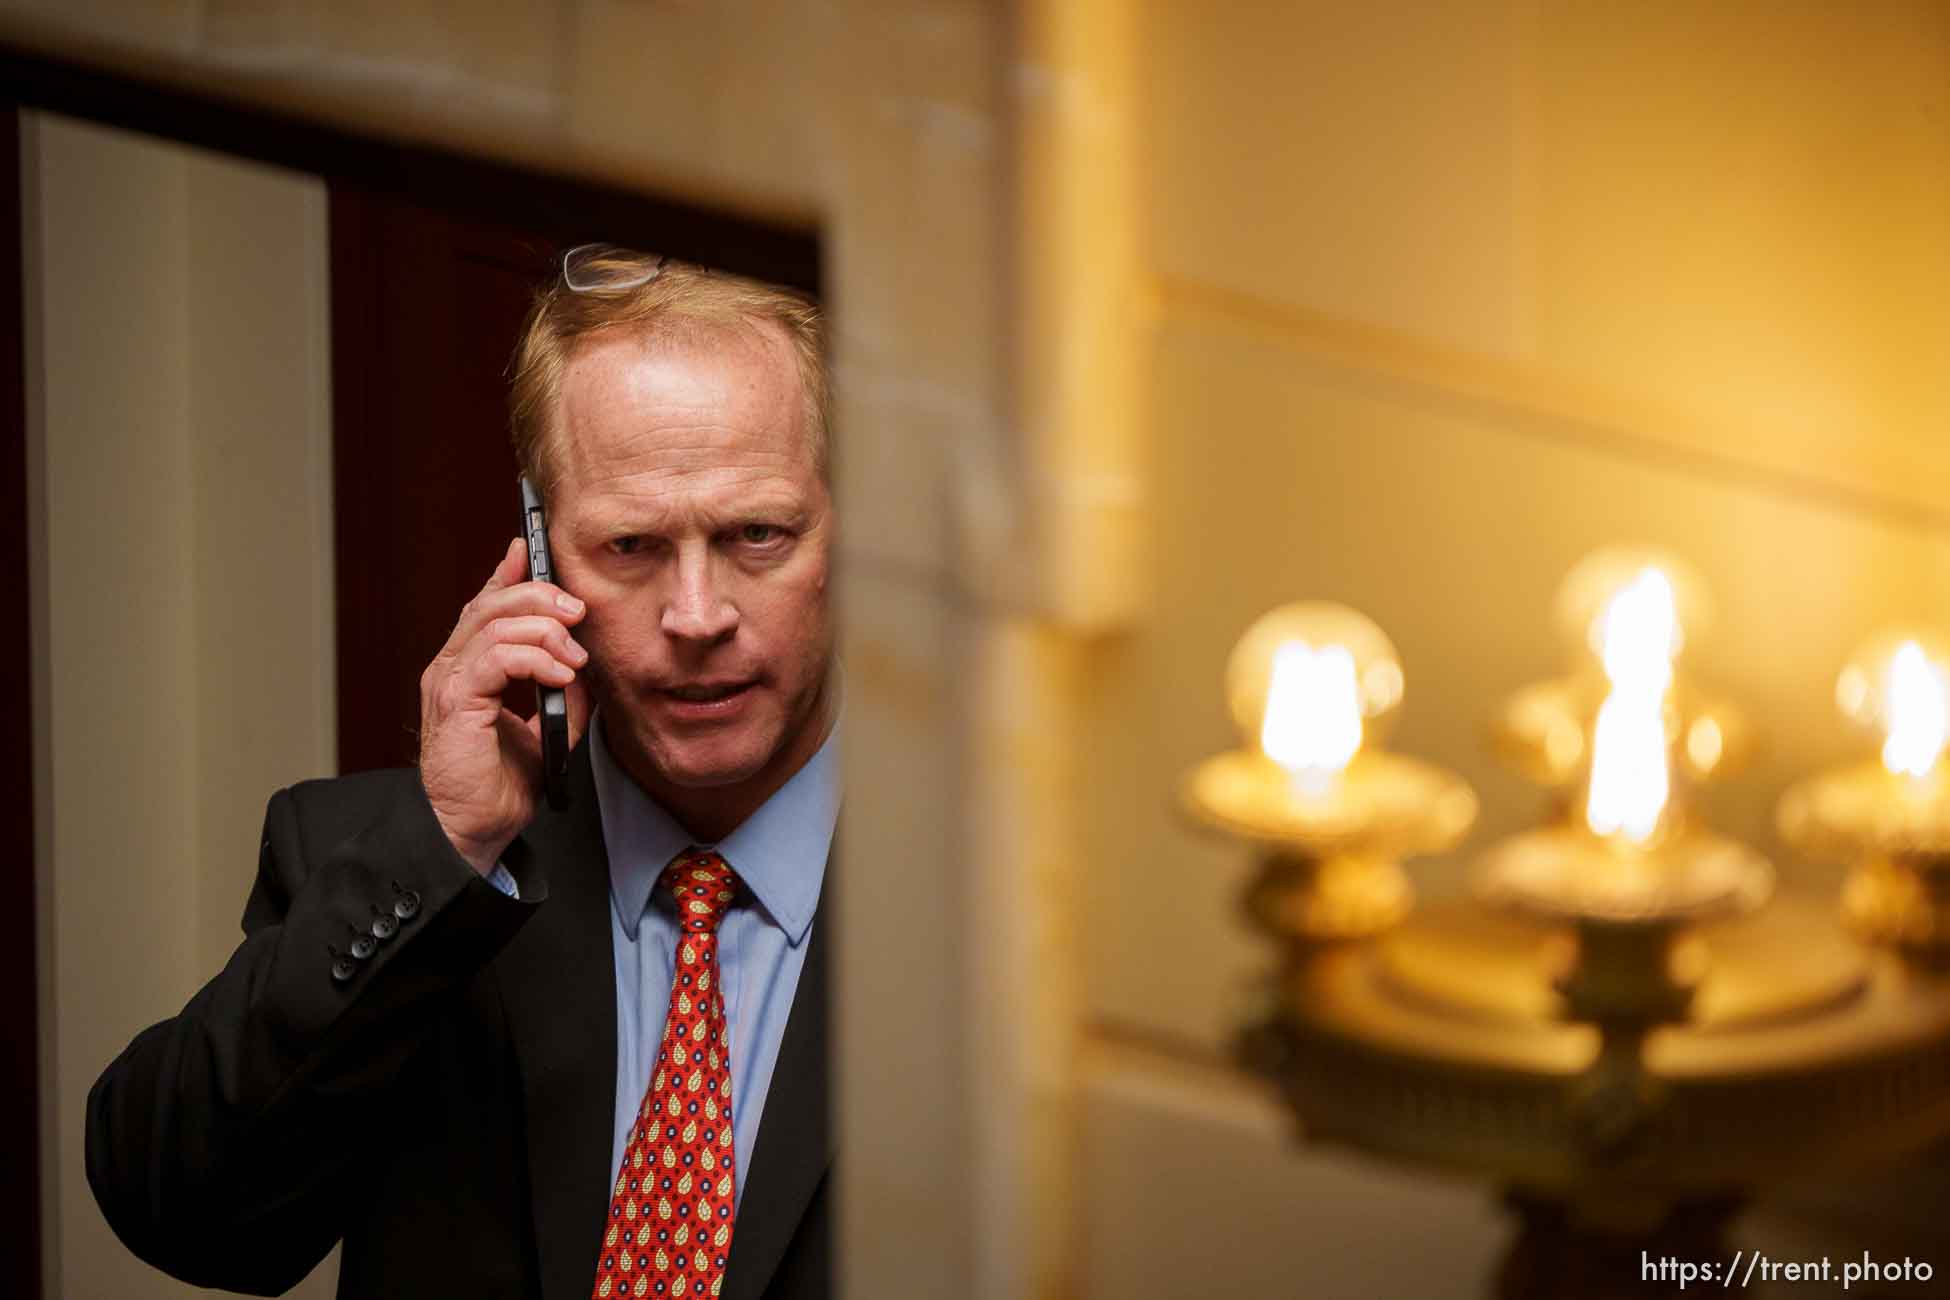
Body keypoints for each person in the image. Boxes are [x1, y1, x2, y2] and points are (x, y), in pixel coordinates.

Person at [86, 249, 839, 1300]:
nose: (697, 615)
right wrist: (444, 847)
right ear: (541, 556)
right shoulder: (388, 861)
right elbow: (180, 1209)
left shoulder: (1014, 897)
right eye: (630, 545)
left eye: (757, 534)